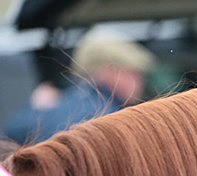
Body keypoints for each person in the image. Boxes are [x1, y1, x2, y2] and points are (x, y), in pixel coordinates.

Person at [3, 28, 155, 144]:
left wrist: (34, 108)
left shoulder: (49, 107)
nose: (139, 82)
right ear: (107, 71)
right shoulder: (111, 115)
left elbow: (10, 133)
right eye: (132, 73)